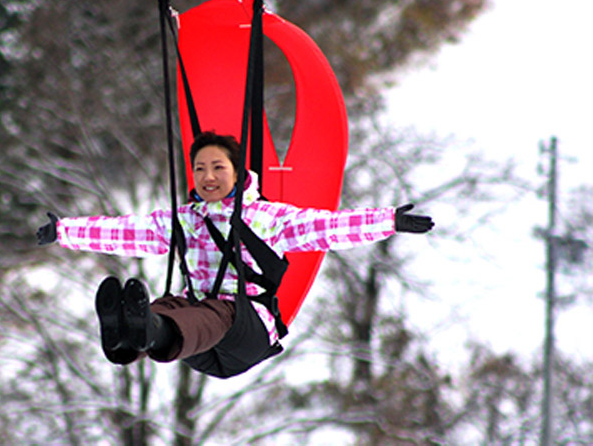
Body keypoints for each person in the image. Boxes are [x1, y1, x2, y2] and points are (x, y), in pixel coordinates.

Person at [36, 131, 434, 377]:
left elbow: (327, 227)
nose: (208, 177)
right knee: (173, 303)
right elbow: (127, 231)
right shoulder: (186, 220)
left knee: (214, 311)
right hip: (199, 341)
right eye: (200, 168)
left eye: (217, 167)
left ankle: (150, 328)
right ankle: (131, 335)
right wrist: (64, 231)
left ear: (237, 171)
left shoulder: (267, 218)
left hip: (247, 329)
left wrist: (389, 222)